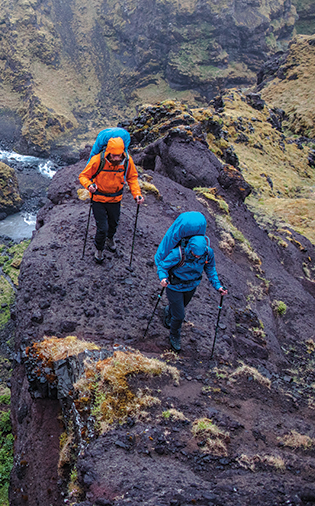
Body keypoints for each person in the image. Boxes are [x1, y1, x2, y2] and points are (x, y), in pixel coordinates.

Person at [153, 211, 227, 352]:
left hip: (191, 286)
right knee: (180, 315)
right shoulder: (178, 253)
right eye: (195, 254)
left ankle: (168, 311)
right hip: (174, 286)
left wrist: (218, 286)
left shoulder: (207, 253)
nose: (197, 257)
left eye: (200, 255)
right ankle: (174, 336)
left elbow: (210, 270)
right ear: (190, 248)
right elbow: (163, 266)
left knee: (179, 308)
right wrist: (163, 278)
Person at [78, 136, 143, 264]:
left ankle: (110, 238)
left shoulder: (127, 161)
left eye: (119, 155)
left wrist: (137, 194)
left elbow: (132, 178)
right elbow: (83, 176)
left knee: (113, 224)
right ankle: (99, 249)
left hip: (115, 199)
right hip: (98, 199)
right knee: (102, 228)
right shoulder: (98, 160)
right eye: (114, 156)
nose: (117, 158)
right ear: (108, 152)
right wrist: (89, 185)